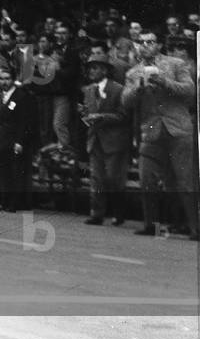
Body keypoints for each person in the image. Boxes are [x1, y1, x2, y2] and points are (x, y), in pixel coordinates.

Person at [121, 31, 198, 240]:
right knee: (146, 178)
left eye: (150, 42)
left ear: (159, 45)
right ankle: (151, 225)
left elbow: (190, 91)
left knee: (185, 182)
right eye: (141, 42)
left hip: (178, 129)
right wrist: (138, 88)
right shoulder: (133, 72)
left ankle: (195, 228)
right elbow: (125, 102)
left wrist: (165, 82)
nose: (145, 45)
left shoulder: (176, 64)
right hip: (151, 130)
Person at [79, 47, 131, 226]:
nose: (91, 71)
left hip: (114, 141)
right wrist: (85, 115)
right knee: (96, 178)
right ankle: (97, 214)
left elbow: (123, 116)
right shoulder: (87, 90)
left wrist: (101, 117)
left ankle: (118, 213)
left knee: (114, 178)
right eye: (90, 68)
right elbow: (88, 113)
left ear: (105, 70)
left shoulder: (118, 89)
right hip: (95, 140)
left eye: (95, 68)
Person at [0, 66, 37, 212]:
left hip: (15, 139)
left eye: (7, 79)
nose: (4, 82)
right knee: (4, 171)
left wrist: (20, 141)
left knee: (16, 172)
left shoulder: (21, 96)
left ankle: (15, 203)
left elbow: (25, 121)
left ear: (13, 79)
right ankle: (4, 201)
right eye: (2, 79)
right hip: (3, 138)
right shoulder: (0, 95)